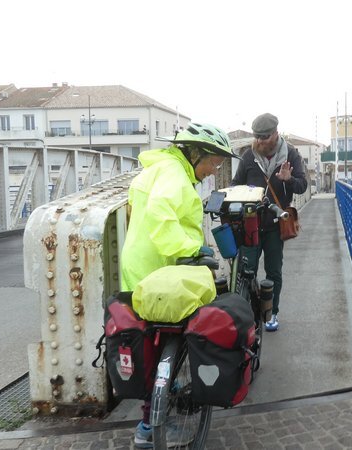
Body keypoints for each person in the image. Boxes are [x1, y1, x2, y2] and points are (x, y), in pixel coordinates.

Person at [119, 122, 238, 448]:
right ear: (195, 153)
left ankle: (157, 404)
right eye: (213, 162)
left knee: (150, 343)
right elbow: (160, 213)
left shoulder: (158, 169)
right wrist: (190, 249)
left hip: (141, 267)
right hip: (159, 270)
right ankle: (150, 425)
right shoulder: (173, 174)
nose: (214, 170)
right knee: (161, 345)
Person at [232, 113, 308, 332]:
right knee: (247, 272)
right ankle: (247, 314)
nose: (260, 141)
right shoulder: (249, 156)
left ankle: (271, 312)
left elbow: (303, 186)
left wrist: (289, 180)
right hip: (250, 223)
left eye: (264, 136)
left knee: (274, 271)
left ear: (275, 133)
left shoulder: (291, 155)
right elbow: (236, 184)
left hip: (276, 224)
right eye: (257, 136)